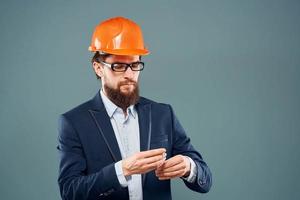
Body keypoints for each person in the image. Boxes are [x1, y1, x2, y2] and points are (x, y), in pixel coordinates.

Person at [57, 16, 212, 200]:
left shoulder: (163, 115)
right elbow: (70, 191)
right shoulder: (74, 122)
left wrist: (188, 167)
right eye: (119, 66)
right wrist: (121, 171)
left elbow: (205, 180)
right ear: (98, 68)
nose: (130, 74)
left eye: (135, 65)